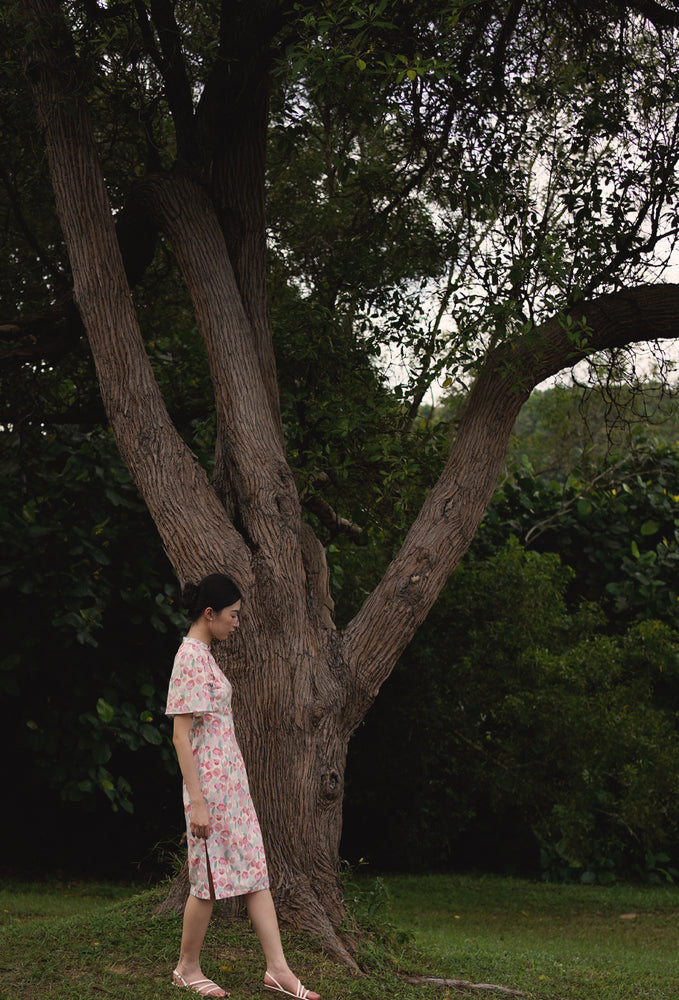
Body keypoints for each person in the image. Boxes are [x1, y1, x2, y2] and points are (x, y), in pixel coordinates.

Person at [166, 573, 320, 1000]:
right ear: (209, 613)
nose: (237, 623)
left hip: (233, 789)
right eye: (233, 615)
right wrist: (197, 803)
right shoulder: (190, 658)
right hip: (209, 794)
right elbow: (181, 736)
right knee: (208, 883)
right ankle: (186, 967)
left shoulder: (207, 655)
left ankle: (278, 970)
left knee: (255, 873)